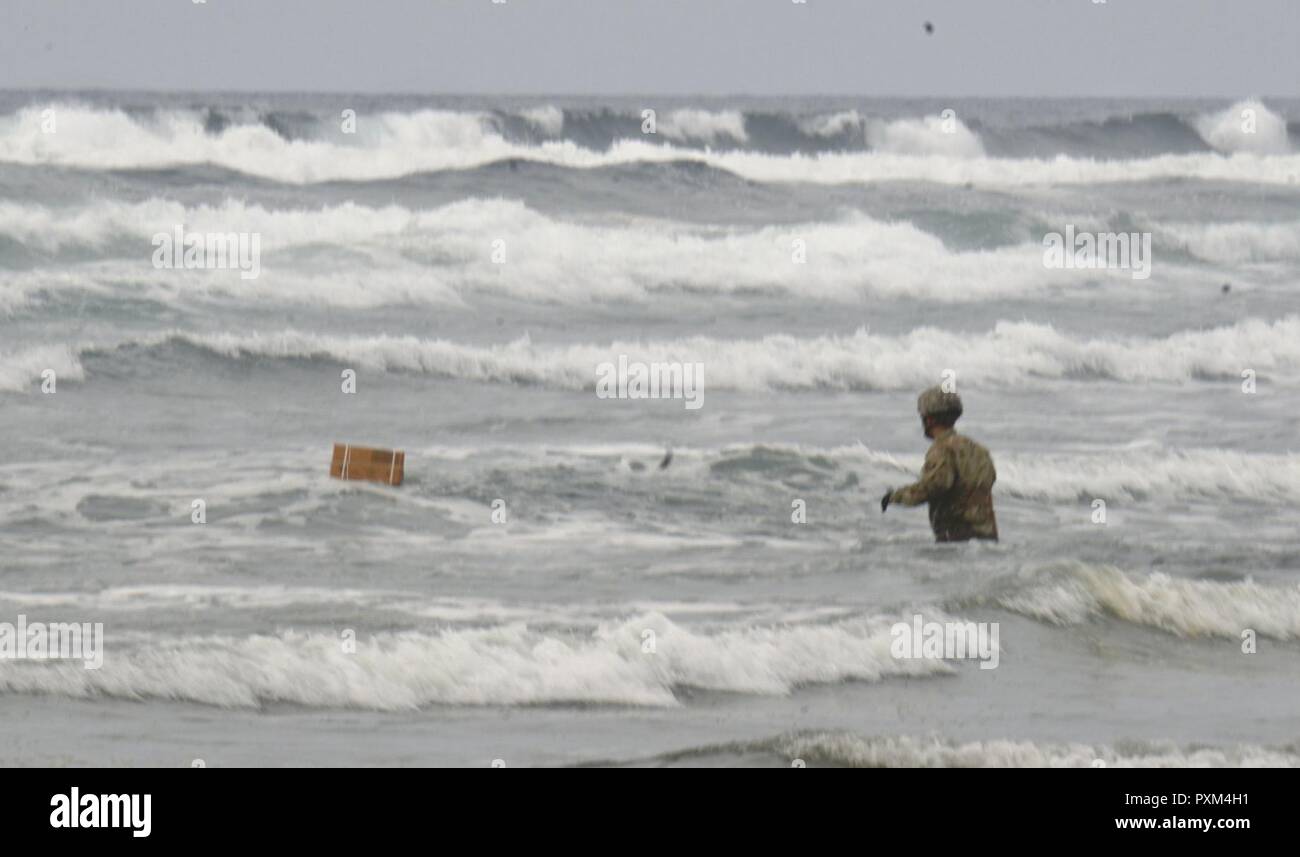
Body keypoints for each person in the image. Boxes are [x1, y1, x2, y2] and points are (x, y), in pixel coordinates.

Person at [880, 386, 998, 542]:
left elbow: (936, 485)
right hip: (987, 535)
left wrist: (894, 497)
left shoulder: (942, 448)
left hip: (957, 536)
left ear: (929, 419)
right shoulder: (979, 450)